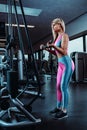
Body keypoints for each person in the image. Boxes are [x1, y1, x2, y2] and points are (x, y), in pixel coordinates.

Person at [40, 18, 75, 119]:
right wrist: (47, 48)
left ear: (60, 25)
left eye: (54, 24)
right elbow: (56, 53)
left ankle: (64, 111)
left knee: (63, 87)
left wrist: (52, 46)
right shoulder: (57, 37)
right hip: (60, 64)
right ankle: (58, 107)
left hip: (67, 63)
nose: (53, 26)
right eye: (52, 25)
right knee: (58, 86)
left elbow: (63, 51)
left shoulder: (64, 36)